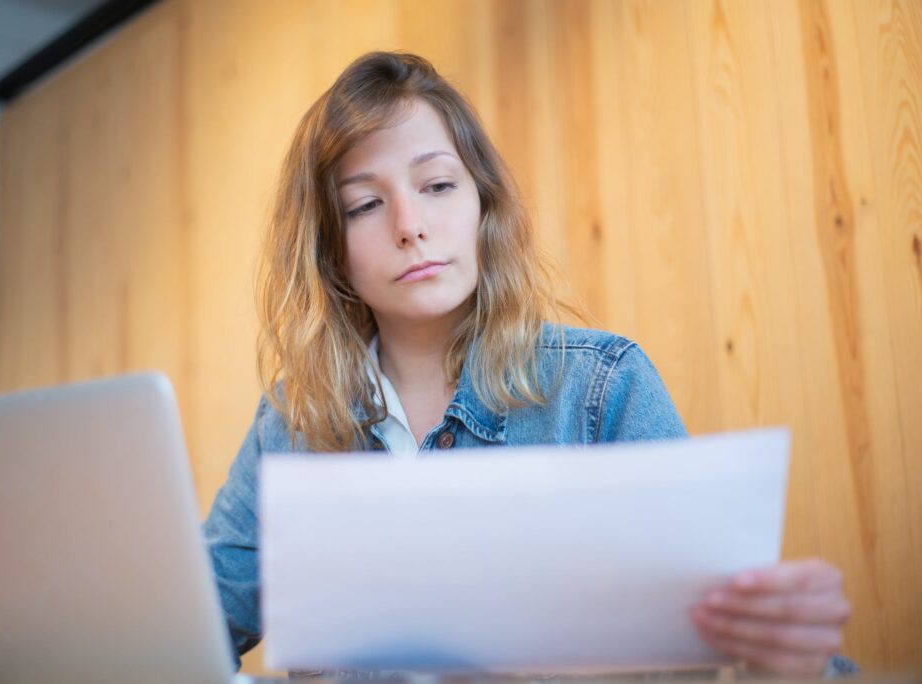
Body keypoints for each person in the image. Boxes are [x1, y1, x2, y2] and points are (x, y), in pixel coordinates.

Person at [203, 51, 853, 678]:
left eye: (436, 185)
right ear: (329, 248)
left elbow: (706, 656)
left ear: (482, 205)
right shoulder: (290, 425)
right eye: (364, 205)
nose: (409, 225)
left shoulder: (602, 387)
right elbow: (188, 629)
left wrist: (786, 662)